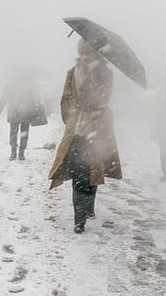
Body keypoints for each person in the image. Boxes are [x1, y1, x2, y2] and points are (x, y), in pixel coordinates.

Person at [48, 38, 122, 233]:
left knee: (92, 173)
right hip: (76, 131)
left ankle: (88, 207)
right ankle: (79, 219)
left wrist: (91, 99)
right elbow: (65, 98)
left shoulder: (106, 74)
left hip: (97, 131)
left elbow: (105, 98)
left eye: (87, 52)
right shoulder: (72, 73)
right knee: (79, 174)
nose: (83, 56)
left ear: (96, 54)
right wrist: (71, 109)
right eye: (81, 52)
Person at [0, 68, 47, 160]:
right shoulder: (30, 82)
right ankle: (21, 153)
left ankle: (13, 152)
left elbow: (4, 97)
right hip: (26, 112)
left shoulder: (12, 83)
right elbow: (37, 98)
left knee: (13, 133)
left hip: (15, 112)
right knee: (24, 133)